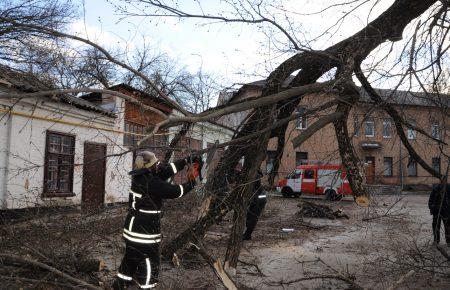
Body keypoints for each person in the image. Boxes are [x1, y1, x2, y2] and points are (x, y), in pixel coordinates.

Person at [113, 151, 199, 290]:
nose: (158, 165)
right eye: (155, 164)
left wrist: (185, 161)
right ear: (149, 168)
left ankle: (118, 285)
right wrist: (192, 183)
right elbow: (175, 192)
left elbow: (166, 171)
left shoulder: (141, 177)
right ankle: (146, 287)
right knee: (149, 264)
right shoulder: (152, 183)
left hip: (132, 230)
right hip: (144, 233)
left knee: (130, 260)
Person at [243, 170, 267, 240]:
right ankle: (247, 234)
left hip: (259, 202)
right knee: (248, 218)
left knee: (252, 219)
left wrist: (252, 200)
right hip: (256, 201)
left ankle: (248, 235)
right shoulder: (252, 178)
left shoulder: (256, 178)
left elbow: (258, 195)